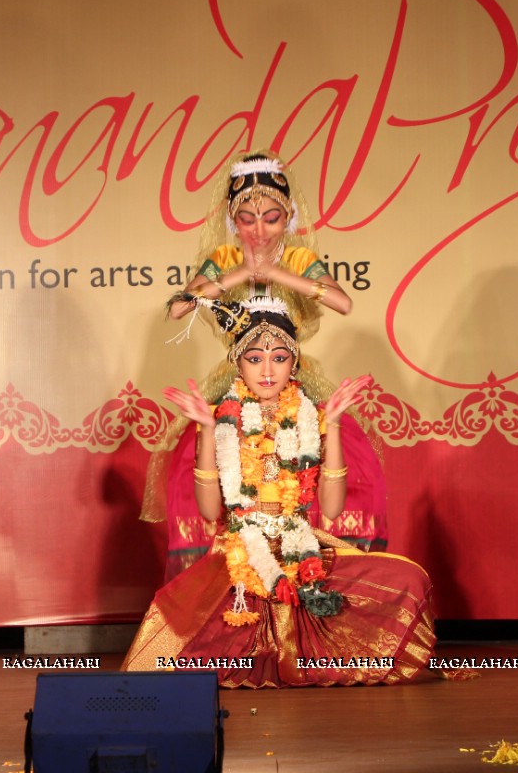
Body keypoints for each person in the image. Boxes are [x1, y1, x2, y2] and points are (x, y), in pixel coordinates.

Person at [124, 298, 435, 687]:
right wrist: (205, 430)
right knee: (174, 649)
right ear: (238, 364)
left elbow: (333, 510)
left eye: (279, 357)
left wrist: (333, 426)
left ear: (295, 362)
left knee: (409, 578)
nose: (267, 371)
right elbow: (209, 512)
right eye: (255, 359)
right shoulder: (225, 419)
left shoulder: (309, 416)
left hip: (300, 545)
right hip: (237, 556)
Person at [145, 150, 387, 578]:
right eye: (248, 219)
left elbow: (342, 301)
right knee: (206, 473)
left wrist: (276, 274)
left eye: (272, 218)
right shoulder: (222, 259)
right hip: (239, 377)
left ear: (289, 216)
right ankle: (231, 577)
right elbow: (180, 308)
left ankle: (309, 574)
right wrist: (241, 273)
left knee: (322, 463)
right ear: (231, 218)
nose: (259, 230)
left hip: (290, 374)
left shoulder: (295, 259)